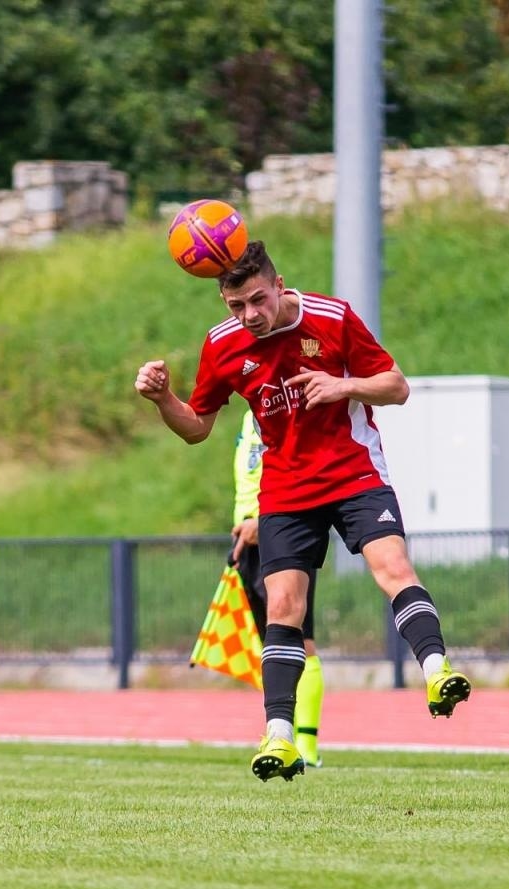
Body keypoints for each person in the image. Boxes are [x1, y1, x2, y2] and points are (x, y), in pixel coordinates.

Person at [135, 240, 471, 782]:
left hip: (354, 471)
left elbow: (397, 387)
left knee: (393, 568)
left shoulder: (332, 317)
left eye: (257, 301)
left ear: (279, 284)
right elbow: (197, 428)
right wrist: (163, 400)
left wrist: (344, 385)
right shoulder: (222, 346)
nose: (249, 316)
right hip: (286, 489)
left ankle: (437, 670)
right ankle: (280, 737)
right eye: (235, 306)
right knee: (283, 608)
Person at [231, 410, 324, 768]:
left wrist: (259, 517)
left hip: (282, 530)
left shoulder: (286, 407)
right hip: (248, 535)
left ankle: (306, 743)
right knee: (268, 641)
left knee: (298, 637)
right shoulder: (247, 413)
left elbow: (293, 465)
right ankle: (278, 731)